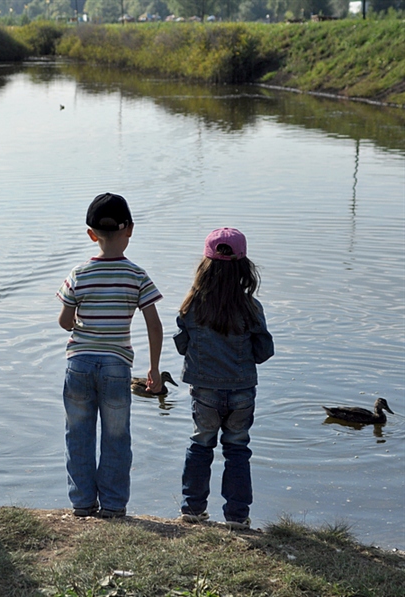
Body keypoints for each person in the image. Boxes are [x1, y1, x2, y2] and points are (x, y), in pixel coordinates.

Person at [56, 193, 164, 518]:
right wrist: (154, 369)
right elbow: (154, 325)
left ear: (91, 234)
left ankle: (83, 504)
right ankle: (114, 506)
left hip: (79, 365)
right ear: (129, 229)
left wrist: (80, 325)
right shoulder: (137, 276)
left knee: (78, 435)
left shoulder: (78, 274)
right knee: (117, 438)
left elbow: (63, 321)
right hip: (117, 368)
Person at [174, 227, 274, 530]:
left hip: (204, 390)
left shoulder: (192, 305)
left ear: (205, 267)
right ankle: (237, 517)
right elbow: (264, 351)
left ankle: (192, 509)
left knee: (200, 444)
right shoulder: (251, 307)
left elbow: (181, 345)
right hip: (242, 391)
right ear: (244, 268)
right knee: (238, 449)